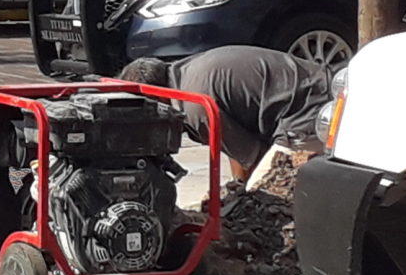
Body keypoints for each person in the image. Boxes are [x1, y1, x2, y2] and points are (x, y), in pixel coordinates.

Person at [119, 46, 336, 184]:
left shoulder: (194, 108)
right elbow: (236, 144)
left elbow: (250, 156)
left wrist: (242, 193)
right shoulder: (184, 71)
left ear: (156, 101)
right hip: (311, 86)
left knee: (265, 188)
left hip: (308, 107)